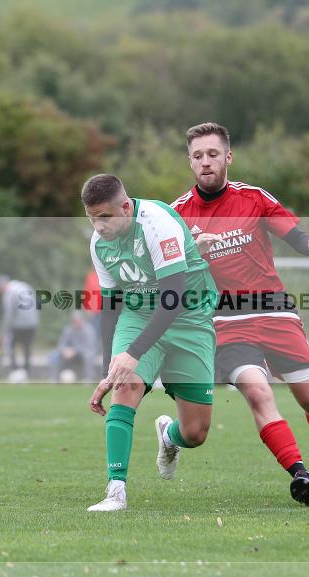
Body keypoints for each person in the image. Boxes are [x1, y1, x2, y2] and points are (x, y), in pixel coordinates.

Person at [171, 122, 309, 505]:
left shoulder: (253, 198)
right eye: (197, 156)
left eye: (213, 154)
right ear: (190, 162)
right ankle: (301, 476)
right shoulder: (177, 215)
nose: (205, 162)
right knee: (257, 392)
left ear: (228, 157)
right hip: (228, 321)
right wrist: (192, 252)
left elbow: (294, 235)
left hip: (275, 311)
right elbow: (170, 276)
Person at [82, 173, 217, 512]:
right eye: (91, 218)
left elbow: (173, 297)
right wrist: (108, 367)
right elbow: (111, 304)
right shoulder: (99, 244)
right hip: (139, 314)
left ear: (126, 207)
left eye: (105, 217)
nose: (98, 226)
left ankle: (170, 437)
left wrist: (134, 352)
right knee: (124, 388)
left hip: (188, 317)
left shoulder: (157, 223)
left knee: (196, 433)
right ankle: (116, 491)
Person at [0, 276, 40, 378]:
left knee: (9, 345)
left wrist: (3, 332)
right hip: (32, 323)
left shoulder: (9, 292)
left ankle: (15, 370)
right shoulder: (25, 286)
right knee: (27, 348)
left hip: (18, 324)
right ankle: (27, 372)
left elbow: (8, 313)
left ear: (3, 285)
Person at [48, 310, 99, 382]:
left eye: (78, 320)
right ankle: (53, 378)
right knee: (54, 355)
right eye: (74, 320)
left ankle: (88, 378)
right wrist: (64, 350)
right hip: (70, 353)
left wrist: (75, 351)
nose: (76, 322)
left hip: (84, 352)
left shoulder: (89, 330)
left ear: (82, 320)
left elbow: (89, 346)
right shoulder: (68, 329)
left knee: (88, 355)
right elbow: (62, 343)